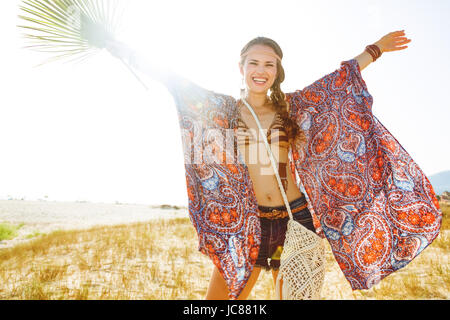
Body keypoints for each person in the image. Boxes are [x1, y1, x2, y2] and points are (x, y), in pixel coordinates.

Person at [105, 30, 442, 300]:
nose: (261, 71)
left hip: (297, 222)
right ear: (242, 67)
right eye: (254, 63)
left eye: (269, 64)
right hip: (246, 224)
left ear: (277, 70)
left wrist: (375, 49)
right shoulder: (222, 111)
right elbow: (175, 81)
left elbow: (337, 83)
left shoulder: (294, 108)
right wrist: (122, 49)